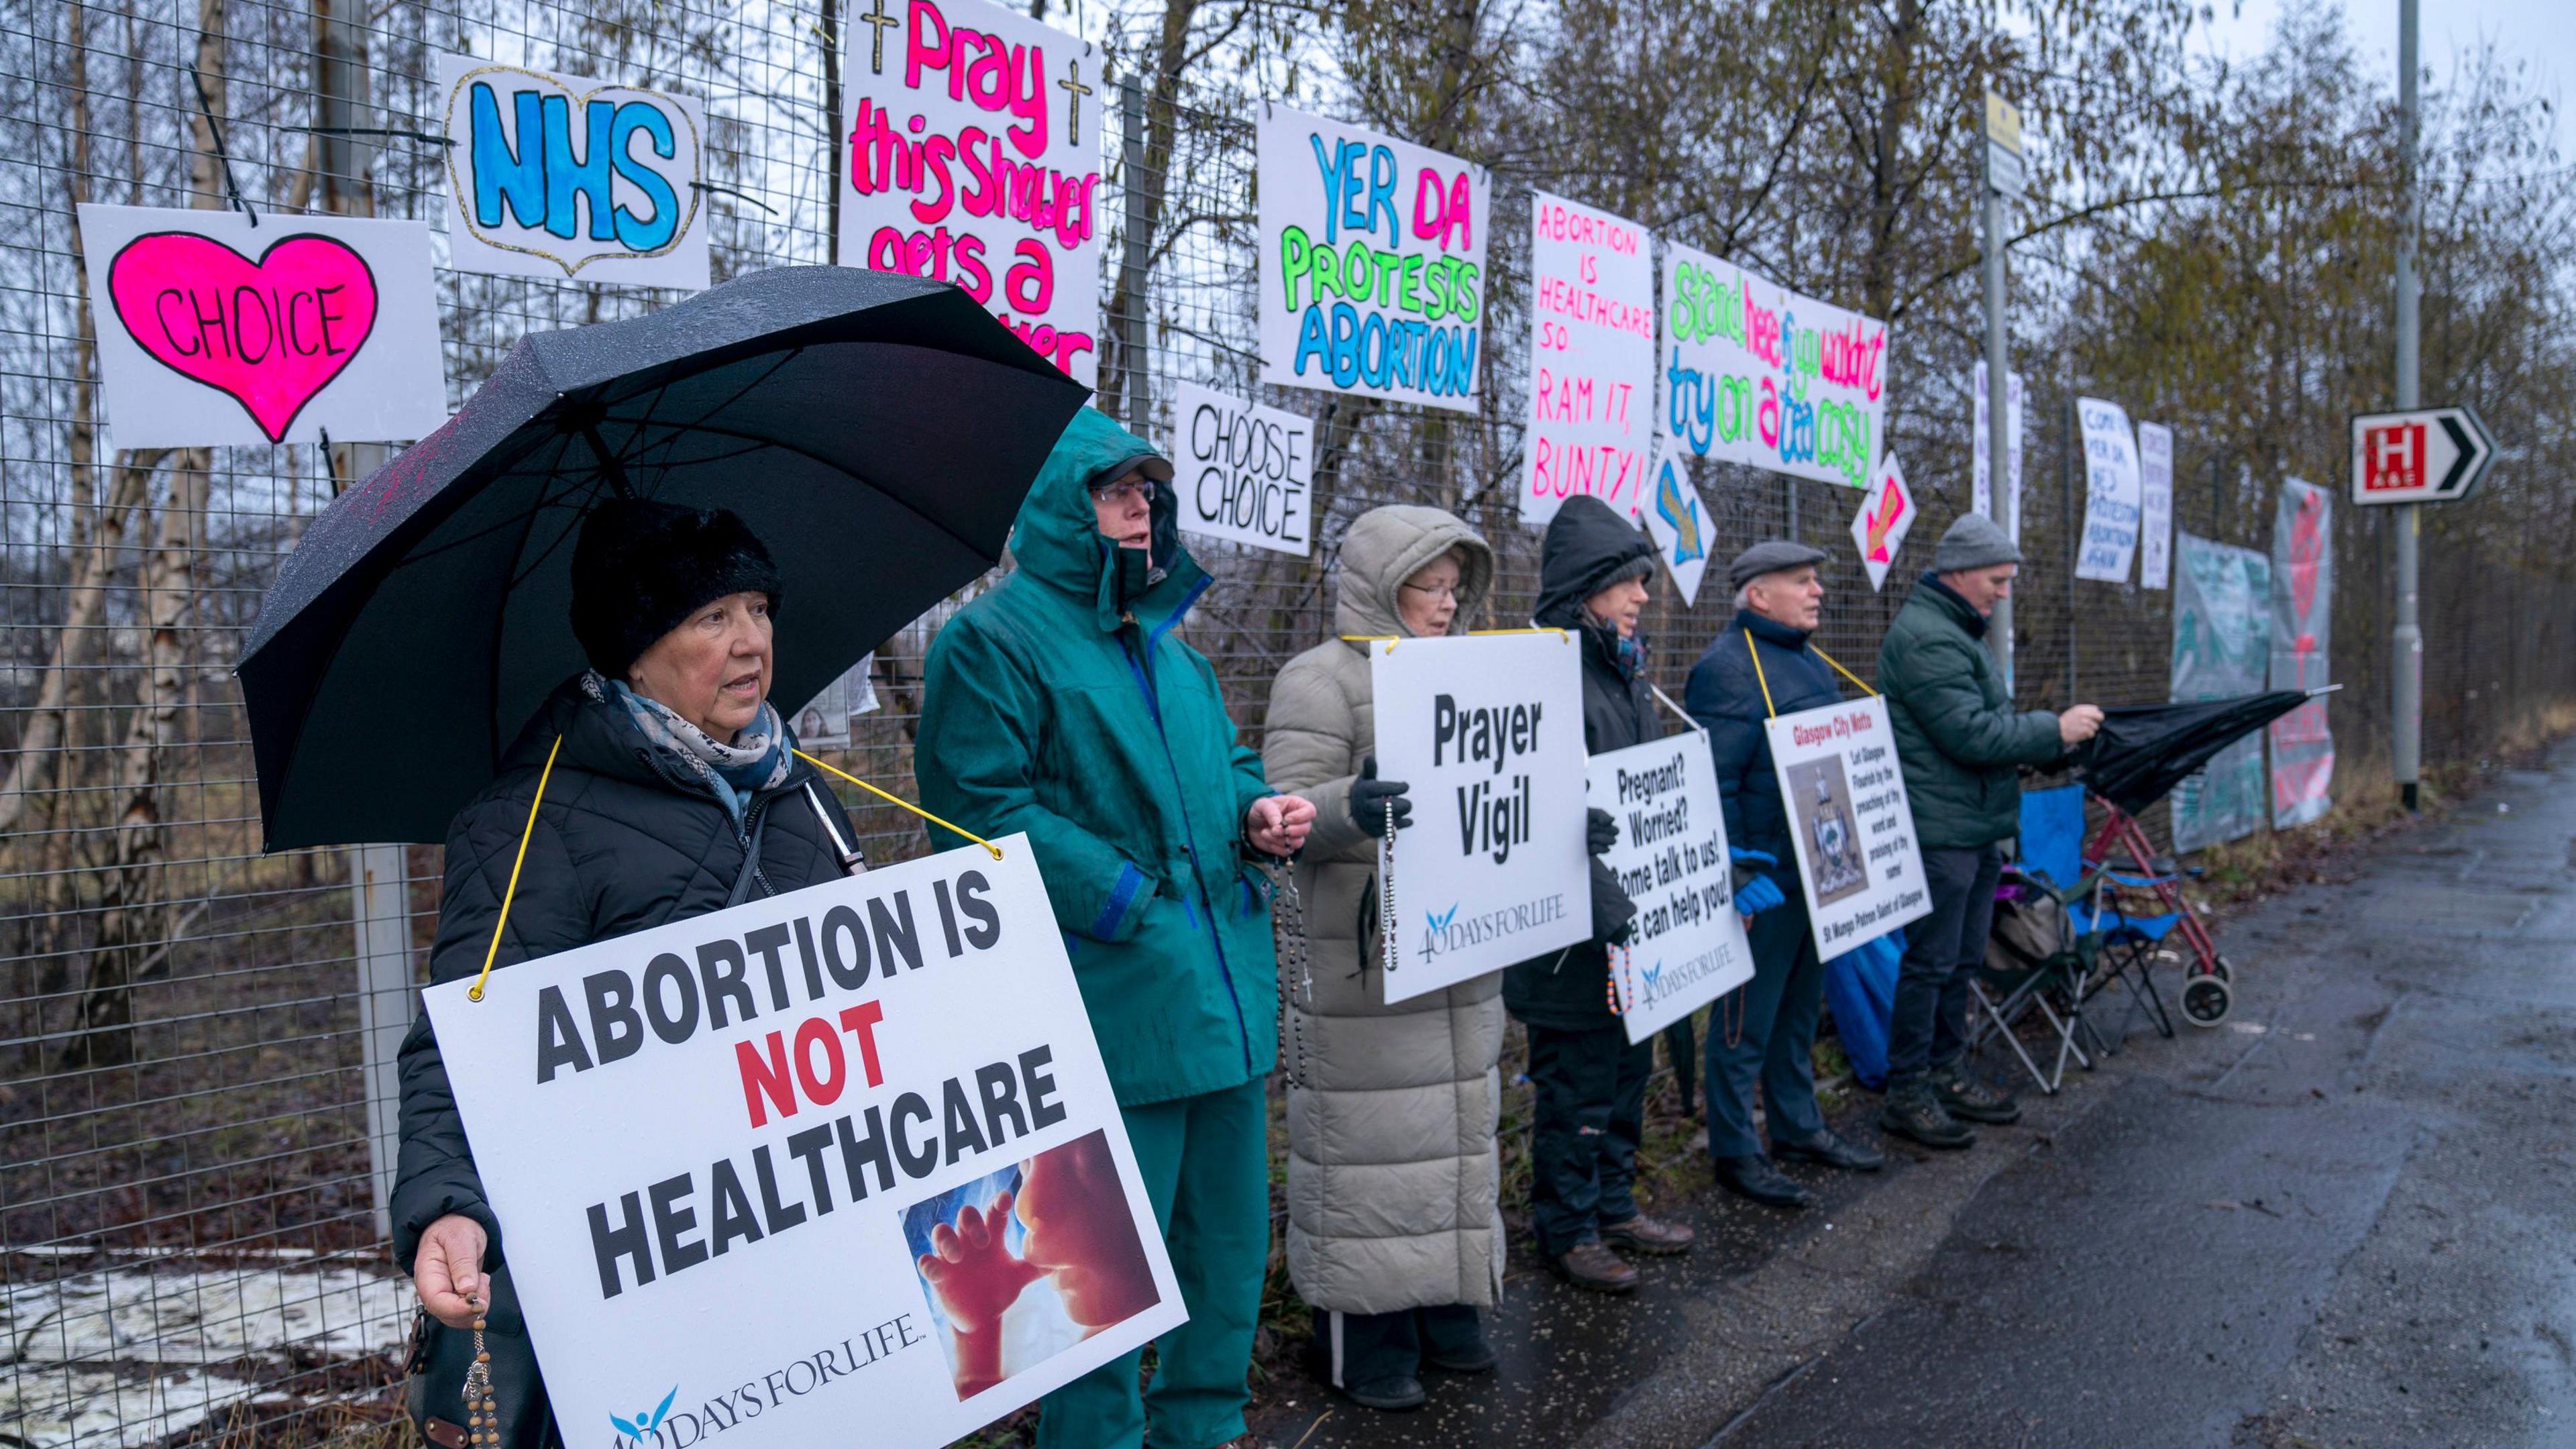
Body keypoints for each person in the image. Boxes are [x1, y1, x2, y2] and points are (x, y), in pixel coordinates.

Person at [394, 500, 867, 1448]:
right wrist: (446, 1208)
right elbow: (463, 1046)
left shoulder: (805, 795)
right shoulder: (530, 821)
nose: (751, 644)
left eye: (759, 609)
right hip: (640, 1284)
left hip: (808, 1264)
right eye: (711, 618)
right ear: (635, 648)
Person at [913, 408, 1316, 1449]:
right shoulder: (989, 642)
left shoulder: (1173, 654)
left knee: (1224, 1254)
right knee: (1098, 1274)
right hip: (1106, 1007)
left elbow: (1217, 772)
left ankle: (1207, 1428)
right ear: (1058, 505)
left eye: (1148, 490)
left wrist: (1258, 813)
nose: (1141, 507)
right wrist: (1126, 897)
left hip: (1220, 997)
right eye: (1115, 489)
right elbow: (976, 813)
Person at [1262, 505, 1505, 1412]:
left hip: (1463, 950)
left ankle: (1448, 1310)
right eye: (1427, 586)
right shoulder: (1318, 681)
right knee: (1369, 1147)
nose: (1445, 605)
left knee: (1452, 1134)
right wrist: (1348, 807)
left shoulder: (1477, 674)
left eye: (1454, 588)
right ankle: (1366, 1340)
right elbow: (1284, 815)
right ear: (1378, 584)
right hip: (1363, 963)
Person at [1501, 493, 1697, 1295]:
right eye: (1628, 583)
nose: (1643, 597)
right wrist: (1595, 893)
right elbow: (1533, 812)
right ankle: (1568, 1229)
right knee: (1575, 1085)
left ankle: (1614, 1203)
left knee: (1624, 1073)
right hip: (1564, 945)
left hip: (1626, 931)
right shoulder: (1542, 679)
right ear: (1587, 588)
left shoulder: (1625, 673)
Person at [1875, 515, 2102, 1149]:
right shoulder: (1929, 638)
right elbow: (1970, 734)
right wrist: (2052, 731)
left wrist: (2040, 743)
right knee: (1931, 962)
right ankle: (1908, 1091)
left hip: (1971, 827)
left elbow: (1984, 728)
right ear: (1962, 572)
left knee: (1961, 960)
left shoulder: (1956, 632)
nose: (2003, 593)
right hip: (1940, 830)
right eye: (1997, 580)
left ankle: (1946, 1073)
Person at [1684, 541, 1888, 1210]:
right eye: (1801, 582)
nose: (1817, 591)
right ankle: (1736, 1150)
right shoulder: (1728, 670)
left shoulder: (1810, 663)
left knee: (1798, 1014)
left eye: (1815, 580)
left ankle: (1799, 1129)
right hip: (1765, 882)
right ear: (1757, 595)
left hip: (1820, 875)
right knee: (1746, 1021)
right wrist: (1735, 872)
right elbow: (1712, 781)